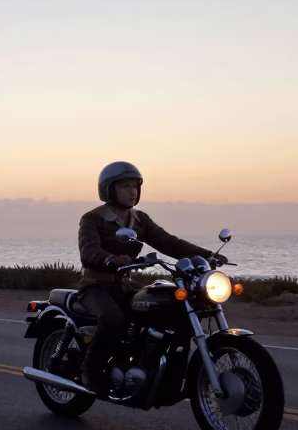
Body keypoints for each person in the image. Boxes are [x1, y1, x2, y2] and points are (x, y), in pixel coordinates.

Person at [77, 162, 226, 394]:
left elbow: (168, 241)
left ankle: (165, 375)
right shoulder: (92, 219)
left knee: (169, 309)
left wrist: (206, 255)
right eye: (125, 186)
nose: (132, 191)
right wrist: (110, 259)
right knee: (113, 321)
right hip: (96, 286)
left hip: (125, 286)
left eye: (135, 186)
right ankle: (91, 373)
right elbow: (88, 251)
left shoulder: (139, 219)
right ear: (109, 190)